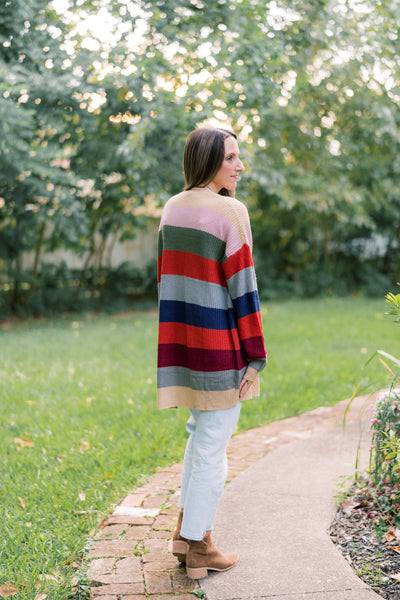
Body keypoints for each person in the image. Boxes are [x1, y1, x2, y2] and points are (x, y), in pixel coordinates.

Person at [157, 126, 267, 579]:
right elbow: (245, 291)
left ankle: (186, 531)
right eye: (230, 158)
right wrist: (255, 359)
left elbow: (166, 284)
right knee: (212, 447)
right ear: (207, 162)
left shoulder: (171, 210)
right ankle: (200, 547)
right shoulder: (230, 212)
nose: (239, 166)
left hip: (181, 347)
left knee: (198, 437)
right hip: (220, 349)